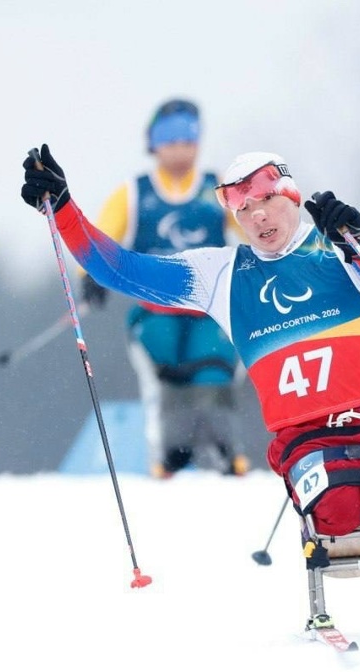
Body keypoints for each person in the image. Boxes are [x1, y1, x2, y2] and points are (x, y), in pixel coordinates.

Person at [22, 145, 360, 580]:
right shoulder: (220, 273)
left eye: (268, 201)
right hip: (301, 436)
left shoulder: (341, 241)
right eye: (245, 209)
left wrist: (359, 238)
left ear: (292, 197)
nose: (258, 217)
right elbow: (121, 270)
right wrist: (64, 210)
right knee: (337, 520)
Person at [80, 98, 248, 480]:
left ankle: (224, 448)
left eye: (189, 138)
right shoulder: (135, 193)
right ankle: (170, 452)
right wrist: (90, 275)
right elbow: (100, 238)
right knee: (166, 369)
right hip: (155, 311)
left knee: (215, 368)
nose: (180, 148)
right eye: (170, 139)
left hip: (208, 310)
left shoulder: (215, 189)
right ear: (154, 144)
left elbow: (253, 225)